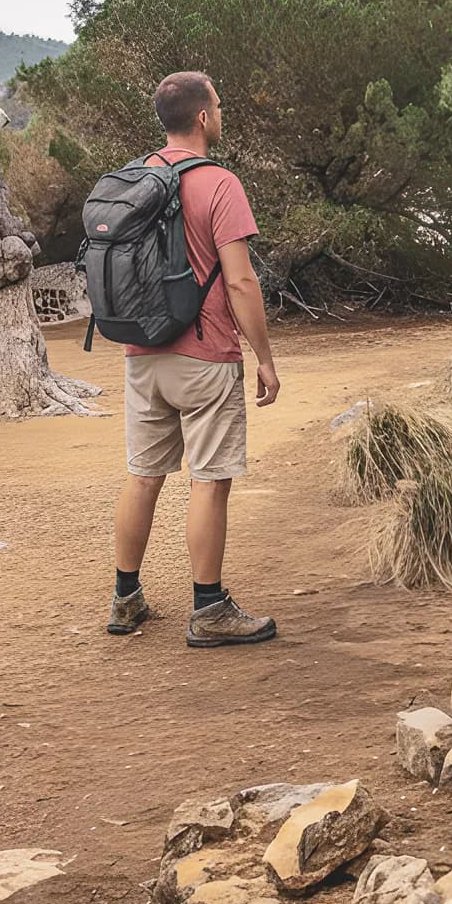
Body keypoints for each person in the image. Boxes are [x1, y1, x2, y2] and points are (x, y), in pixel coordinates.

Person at [109, 71, 280, 647]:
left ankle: (125, 599)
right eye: (220, 104)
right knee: (209, 482)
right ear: (203, 117)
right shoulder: (219, 184)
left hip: (141, 350)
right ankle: (209, 611)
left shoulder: (137, 177)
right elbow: (241, 282)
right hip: (205, 354)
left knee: (143, 476)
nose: (222, 112)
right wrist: (265, 357)